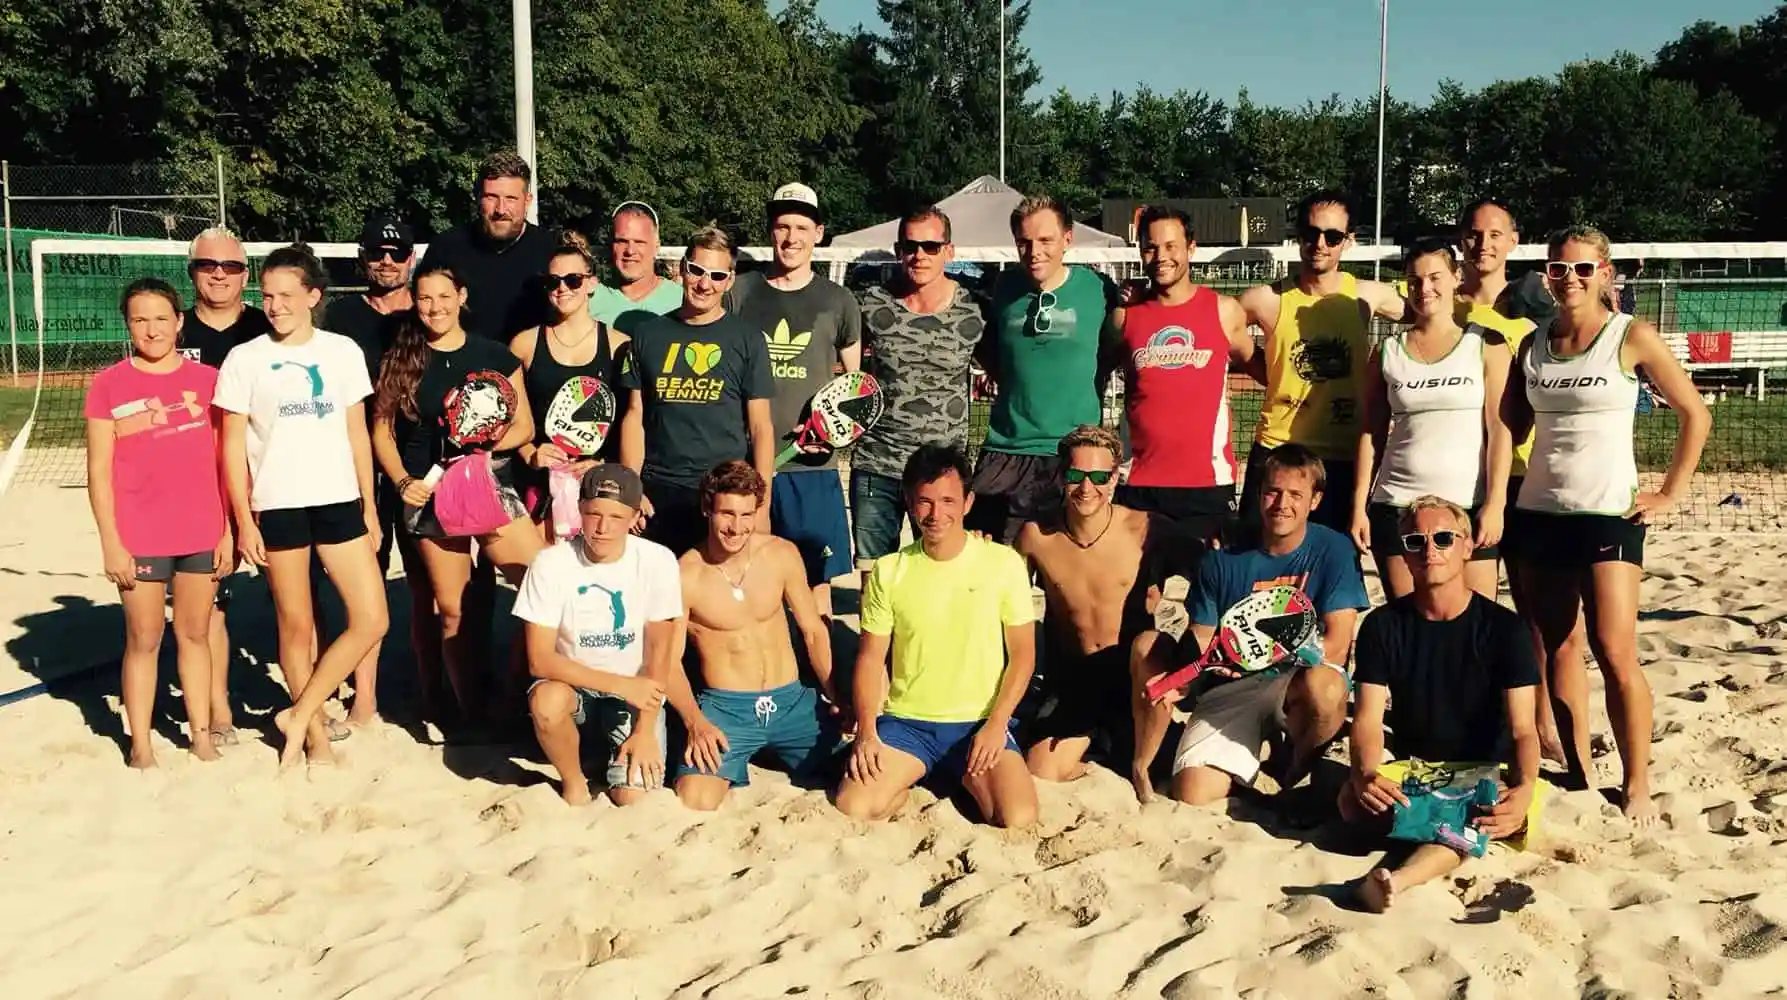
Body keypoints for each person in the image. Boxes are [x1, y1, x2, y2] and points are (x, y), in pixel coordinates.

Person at [1501, 225, 1710, 825]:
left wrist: (1672, 490)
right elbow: (1508, 430)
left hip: (1609, 514)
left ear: (1605, 274)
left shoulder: (1631, 336)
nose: (1569, 280)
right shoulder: (1534, 344)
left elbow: (1694, 414)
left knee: (1614, 649)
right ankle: (1579, 768)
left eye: (1582, 269)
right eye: (1558, 269)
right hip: (1540, 511)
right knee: (1558, 646)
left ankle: (1637, 781)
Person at [214, 244, 390, 768]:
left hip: (338, 500)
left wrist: (370, 507)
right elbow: (230, 447)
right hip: (279, 505)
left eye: (287, 295)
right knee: (295, 625)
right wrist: (244, 520)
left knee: (372, 618)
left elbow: (358, 434)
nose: (275, 305)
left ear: (313, 296)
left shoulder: (341, 352)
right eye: (267, 296)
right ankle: (311, 736)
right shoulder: (245, 359)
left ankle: (300, 709)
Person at [1132, 444, 1368, 805]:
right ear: (1259, 494)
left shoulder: (1334, 549)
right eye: (1272, 491)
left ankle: (1294, 768)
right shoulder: (1221, 560)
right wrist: (1184, 677)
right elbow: (1202, 636)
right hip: (1234, 683)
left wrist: (1262, 657)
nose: (1281, 504)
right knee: (1194, 795)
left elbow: (1337, 644)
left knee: (1328, 688)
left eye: (1295, 495)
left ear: (1314, 501)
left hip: (1299, 679)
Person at [1341, 497, 1543, 913]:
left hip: (1487, 773)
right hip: (1419, 768)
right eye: (1416, 541)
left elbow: (1525, 728)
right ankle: (1420, 840)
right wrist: (1364, 773)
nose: (1429, 550)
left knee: (1473, 818)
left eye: (1444, 538)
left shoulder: (1505, 629)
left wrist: (1523, 789)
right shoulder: (1382, 625)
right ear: (1405, 554)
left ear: (1467, 547)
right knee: (1351, 801)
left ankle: (1396, 880)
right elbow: (1367, 720)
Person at [371, 265, 543, 728]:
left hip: (488, 483)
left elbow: (523, 427)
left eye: (444, 296)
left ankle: (516, 692)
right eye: (425, 298)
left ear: (461, 296)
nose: (435, 307)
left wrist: (480, 439)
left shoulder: (495, 355)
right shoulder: (403, 356)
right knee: (452, 609)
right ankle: (470, 715)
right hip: (429, 494)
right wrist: (403, 481)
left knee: (544, 585)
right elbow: (382, 431)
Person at [833, 445, 1039, 829]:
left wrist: (997, 726)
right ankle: (918, 775)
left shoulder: (1003, 563)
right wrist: (867, 732)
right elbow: (870, 658)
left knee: (1017, 817)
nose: (936, 513)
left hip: (979, 722)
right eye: (925, 502)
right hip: (908, 723)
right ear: (910, 503)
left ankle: (961, 776)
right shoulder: (889, 570)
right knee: (855, 806)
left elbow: (1023, 656)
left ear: (968, 502)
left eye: (948, 500)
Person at [84, 278, 233, 767]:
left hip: (201, 529)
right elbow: (99, 473)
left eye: (161, 318)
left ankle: (202, 736)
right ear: (127, 325)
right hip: (140, 534)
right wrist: (111, 542)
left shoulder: (209, 380)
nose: (151, 329)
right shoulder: (109, 385)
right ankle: (141, 745)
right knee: (144, 638)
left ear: (179, 322)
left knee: (194, 634)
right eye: (140, 319)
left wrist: (228, 529)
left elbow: (225, 461)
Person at [1455, 196, 1578, 767]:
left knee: (1539, 618)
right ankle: (1487, 722)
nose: (1484, 243)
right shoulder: (1440, 303)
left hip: (1529, 478)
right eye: (1475, 234)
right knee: (1475, 616)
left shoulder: (1537, 310)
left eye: (1495, 234)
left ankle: (1547, 724)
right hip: (1462, 479)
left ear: (1512, 240)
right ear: (1462, 240)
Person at [1017, 425, 1197, 783]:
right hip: (1073, 678)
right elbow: (1001, 598)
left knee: (1150, 646)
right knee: (1042, 772)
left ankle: (1135, 753)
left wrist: (1194, 655)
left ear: (1115, 478)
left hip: (1134, 675)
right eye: (1076, 475)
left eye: (1099, 476)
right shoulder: (1037, 536)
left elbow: (1213, 573)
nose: (1087, 488)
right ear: (1060, 475)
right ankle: (1103, 754)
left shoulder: (1147, 529)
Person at [725, 182, 862, 619]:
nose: (791, 238)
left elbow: (854, 388)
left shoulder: (838, 301)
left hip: (811, 467)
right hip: (749, 465)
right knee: (747, 579)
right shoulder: (741, 292)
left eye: (802, 227)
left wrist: (834, 436)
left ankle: (819, 677)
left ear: (818, 233)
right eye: (783, 226)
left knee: (814, 590)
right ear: (770, 232)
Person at [671, 461, 840, 810]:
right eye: (727, 514)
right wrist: (695, 721)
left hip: (793, 703)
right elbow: (667, 661)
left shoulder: (781, 554)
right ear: (707, 508)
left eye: (747, 515)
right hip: (727, 709)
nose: (737, 527)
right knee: (695, 800)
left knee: (858, 776)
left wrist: (836, 694)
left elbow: (813, 631)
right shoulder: (686, 574)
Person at [1237, 191, 1407, 538]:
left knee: (1335, 562)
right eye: (1311, 233)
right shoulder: (1265, 299)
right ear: (1298, 237)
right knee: (1257, 560)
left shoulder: (1366, 295)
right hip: (1277, 450)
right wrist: (1267, 372)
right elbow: (1222, 332)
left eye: (1332, 236)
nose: (1320, 243)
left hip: (1343, 457)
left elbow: (1433, 308)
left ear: (1349, 241)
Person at [1351, 237, 1513, 600]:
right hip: (1397, 505)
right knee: (1412, 625)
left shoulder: (1487, 344)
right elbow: (1371, 432)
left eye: (1435, 277)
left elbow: (1500, 429)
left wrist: (1496, 503)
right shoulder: (1388, 350)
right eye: (1414, 280)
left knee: (1475, 628)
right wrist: (1360, 505)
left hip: (1467, 505)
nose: (1424, 288)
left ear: (1457, 277)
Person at [518, 465, 682, 806]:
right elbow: (539, 659)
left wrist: (645, 730)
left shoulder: (657, 560)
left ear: (635, 516)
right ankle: (574, 781)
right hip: (577, 688)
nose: (603, 528)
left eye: (615, 517)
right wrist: (620, 684)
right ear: (579, 509)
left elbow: (660, 652)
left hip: (637, 696)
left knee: (632, 798)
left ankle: (611, 754)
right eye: (593, 514)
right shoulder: (550, 563)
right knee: (546, 702)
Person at [968, 196, 1123, 545]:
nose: (1034, 250)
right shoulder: (1002, 288)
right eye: (1024, 242)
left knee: (1066, 573)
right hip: (1006, 450)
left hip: (1072, 453)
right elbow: (987, 351)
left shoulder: (1098, 289)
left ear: (1067, 239)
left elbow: (1116, 347)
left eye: (1045, 240)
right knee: (993, 568)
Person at [618, 226, 777, 555]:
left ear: (729, 281)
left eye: (717, 276)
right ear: (681, 268)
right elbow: (635, 417)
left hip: (725, 491)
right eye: (697, 271)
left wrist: (760, 505)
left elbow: (761, 427)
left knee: (718, 601)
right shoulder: (648, 334)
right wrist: (631, 489)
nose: (705, 284)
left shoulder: (748, 339)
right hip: (658, 490)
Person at [851, 207, 986, 584]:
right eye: (911, 245)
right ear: (898, 249)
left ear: (949, 250)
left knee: (943, 578)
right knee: (876, 581)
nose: (920, 255)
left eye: (930, 245)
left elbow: (1007, 368)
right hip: (877, 464)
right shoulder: (869, 303)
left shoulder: (975, 310)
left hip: (942, 472)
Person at [1117, 205, 1258, 545]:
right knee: (1140, 595)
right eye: (1151, 247)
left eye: (1170, 246)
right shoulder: (1123, 317)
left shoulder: (1224, 311)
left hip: (1206, 485)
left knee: (1210, 590)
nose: (1160, 256)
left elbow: (1262, 367)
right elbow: (1089, 373)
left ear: (1190, 248)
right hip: (1139, 483)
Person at [177, 225, 268, 746]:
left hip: (266, 473)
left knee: (295, 592)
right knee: (209, 598)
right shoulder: (175, 329)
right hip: (198, 481)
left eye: (230, 267)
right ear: (192, 272)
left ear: (244, 274)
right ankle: (220, 710)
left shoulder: (265, 325)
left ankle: (311, 698)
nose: (218, 274)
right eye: (207, 265)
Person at [512, 231, 624, 533]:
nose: (562, 289)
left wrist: (605, 463)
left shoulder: (619, 345)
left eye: (572, 280)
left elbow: (633, 420)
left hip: (601, 488)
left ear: (591, 284)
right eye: (553, 282)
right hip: (541, 488)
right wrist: (531, 454)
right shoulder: (524, 344)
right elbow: (512, 418)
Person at [418, 150, 557, 342]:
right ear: (477, 197)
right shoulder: (446, 249)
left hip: (530, 366)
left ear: (528, 201)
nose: (500, 209)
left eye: (511, 198)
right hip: (463, 366)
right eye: (491, 197)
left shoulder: (551, 251)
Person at [589, 201, 683, 335]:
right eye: (622, 241)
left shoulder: (681, 301)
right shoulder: (589, 299)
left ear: (656, 247)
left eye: (639, 242)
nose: (630, 251)